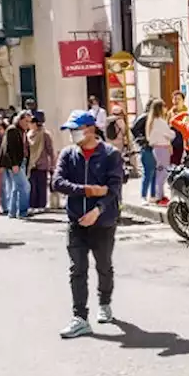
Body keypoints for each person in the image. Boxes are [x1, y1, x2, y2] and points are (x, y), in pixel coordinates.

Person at [52, 110, 123, 338]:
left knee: (104, 266)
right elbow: (58, 182)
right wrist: (87, 190)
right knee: (77, 269)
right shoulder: (68, 154)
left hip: (103, 223)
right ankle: (80, 317)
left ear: (90, 129)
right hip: (76, 221)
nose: (72, 134)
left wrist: (97, 209)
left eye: (76, 129)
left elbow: (113, 189)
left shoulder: (111, 154)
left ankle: (104, 302)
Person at [0, 111, 31, 219]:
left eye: (29, 121)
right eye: (26, 121)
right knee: (25, 186)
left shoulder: (23, 131)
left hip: (22, 161)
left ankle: (12, 212)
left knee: (17, 187)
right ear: (20, 119)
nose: (28, 123)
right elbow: (10, 148)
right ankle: (23, 212)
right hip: (15, 163)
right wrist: (14, 164)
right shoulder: (13, 130)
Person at [144, 98, 173, 206]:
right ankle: (159, 196)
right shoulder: (160, 122)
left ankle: (159, 195)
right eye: (164, 106)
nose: (166, 108)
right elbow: (170, 134)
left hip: (157, 148)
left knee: (160, 172)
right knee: (163, 173)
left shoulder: (152, 121)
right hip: (162, 149)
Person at [26, 114, 56, 214]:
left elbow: (50, 150)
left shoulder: (44, 134)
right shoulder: (28, 134)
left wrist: (52, 164)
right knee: (32, 185)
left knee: (41, 185)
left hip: (42, 163)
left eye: (30, 122)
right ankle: (32, 205)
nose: (28, 124)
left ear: (35, 123)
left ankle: (41, 205)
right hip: (31, 164)